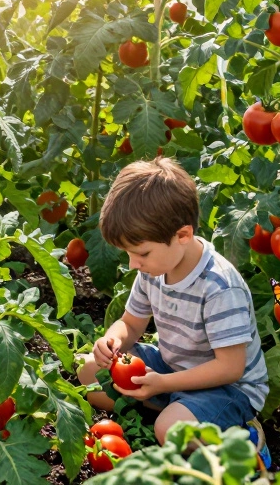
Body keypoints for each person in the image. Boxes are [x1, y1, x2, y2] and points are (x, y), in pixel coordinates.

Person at [76, 157, 269, 448]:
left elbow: (230, 368)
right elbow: (130, 323)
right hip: (172, 367)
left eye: (140, 253)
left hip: (228, 388)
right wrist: (112, 340)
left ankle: (242, 437)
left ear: (182, 235)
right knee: (87, 370)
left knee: (170, 430)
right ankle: (174, 407)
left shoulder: (219, 286)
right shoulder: (154, 269)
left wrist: (164, 384)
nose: (133, 264)